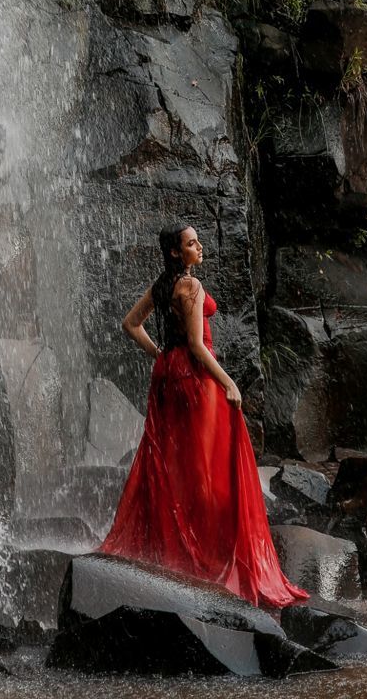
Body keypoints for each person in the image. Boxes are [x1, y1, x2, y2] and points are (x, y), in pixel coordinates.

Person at [98, 223, 309, 610]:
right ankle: (210, 554)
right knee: (211, 465)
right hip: (195, 380)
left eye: (197, 241)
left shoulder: (164, 285)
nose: (200, 247)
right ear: (177, 252)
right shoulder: (190, 288)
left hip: (167, 376)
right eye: (192, 243)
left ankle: (175, 546)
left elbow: (131, 324)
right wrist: (229, 383)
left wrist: (161, 356)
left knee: (172, 463)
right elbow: (196, 345)